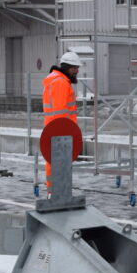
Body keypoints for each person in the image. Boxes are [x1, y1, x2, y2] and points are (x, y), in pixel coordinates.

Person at [42, 51, 81, 189]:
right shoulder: (60, 83)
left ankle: (55, 191)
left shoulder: (57, 80)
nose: (77, 71)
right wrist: (65, 131)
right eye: (75, 68)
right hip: (59, 130)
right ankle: (55, 192)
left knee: (55, 161)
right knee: (57, 162)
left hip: (56, 129)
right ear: (68, 68)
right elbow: (60, 111)